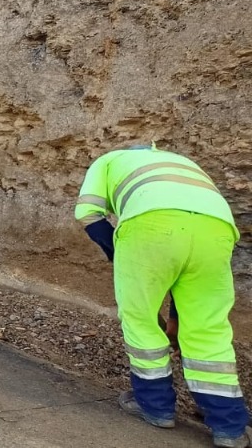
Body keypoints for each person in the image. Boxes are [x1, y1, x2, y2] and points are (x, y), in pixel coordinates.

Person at [76, 146, 249, 447]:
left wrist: (122, 258)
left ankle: (155, 407)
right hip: (217, 228)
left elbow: (88, 213)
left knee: (140, 319)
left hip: (151, 222)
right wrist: (175, 319)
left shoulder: (107, 160)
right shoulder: (184, 161)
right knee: (208, 328)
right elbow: (186, 250)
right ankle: (230, 426)